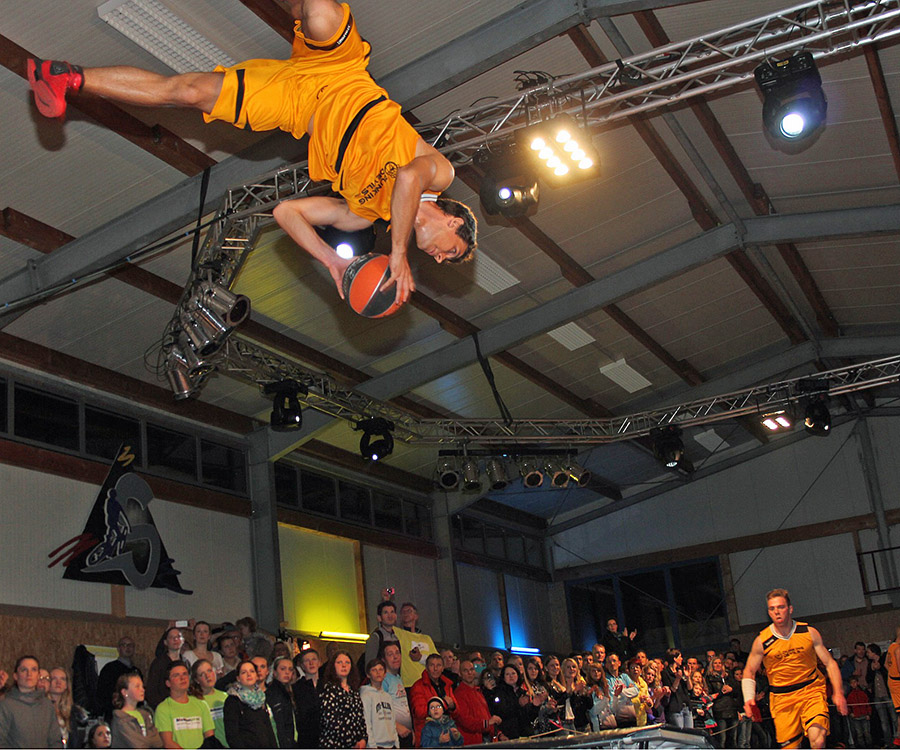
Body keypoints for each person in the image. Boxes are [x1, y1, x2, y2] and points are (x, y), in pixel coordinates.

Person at [28, 0, 477, 312]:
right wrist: (397, 253)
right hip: (341, 72)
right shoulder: (440, 174)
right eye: (451, 252)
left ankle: (66, 77)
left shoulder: (363, 215)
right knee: (319, 12)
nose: (438, 259)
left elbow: (286, 213)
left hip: (296, 106)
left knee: (188, 92)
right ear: (455, 222)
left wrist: (333, 261)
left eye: (443, 261)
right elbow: (407, 179)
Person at [742, 588, 847, 749]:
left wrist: (838, 693)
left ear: (790, 609)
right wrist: (749, 698)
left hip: (811, 691)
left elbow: (830, 663)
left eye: (781, 607)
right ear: (768, 612)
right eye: (772, 608)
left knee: (818, 740)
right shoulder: (762, 641)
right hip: (782, 699)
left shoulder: (809, 633)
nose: (777, 612)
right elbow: (749, 670)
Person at [0, 655, 62, 748]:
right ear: (15, 676)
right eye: (24, 670)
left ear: (38, 675)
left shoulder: (47, 705)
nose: (29, 674)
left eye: (33, 670)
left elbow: (55, 740)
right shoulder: (5, 705)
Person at [153, 662, 215, 750]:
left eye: (185, 674)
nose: (182, 678)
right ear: (168, 683)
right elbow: (168, 743)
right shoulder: (163, 709)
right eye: (176, 675)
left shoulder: (201, 704)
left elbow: (210, 737)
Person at [318, 650, 367, 749]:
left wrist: (363, 739)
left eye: (347, 662)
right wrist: (352, 742)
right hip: (334, 745)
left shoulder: (354, 691)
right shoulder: (329, 690)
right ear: (333, 666)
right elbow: (332, 723)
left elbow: (361, 719)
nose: (344, 665)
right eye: (339, 662)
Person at [223, 660, 277, 748]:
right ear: (238, 678)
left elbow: (268, 728)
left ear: (256, 675)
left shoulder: (261, 698)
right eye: (244, 672)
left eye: (252, 671)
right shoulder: (233, 701)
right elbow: (232, 735)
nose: (249, 675)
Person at [410, 654, 458, 746]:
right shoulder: (418, 687)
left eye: (438, 665)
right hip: (428, 739)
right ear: (426, 668)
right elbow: (419, 712)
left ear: (443, 668)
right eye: (432, 665)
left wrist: (453, 706)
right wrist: (443, 704)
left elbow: (457, 711)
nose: (435, 669)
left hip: (447, 738)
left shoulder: (447, 685)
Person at [453, 659, 501, 745]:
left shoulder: (477, 691)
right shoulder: (459, 694)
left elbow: (487, 715)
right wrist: (486, 723)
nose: (469, 673)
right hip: (471, 741)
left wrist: (498, 733)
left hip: (483, 738)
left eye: (471, 669)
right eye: (465, 670)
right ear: (460, 674)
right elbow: (465, 721)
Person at [110, 673, 163, 749]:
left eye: (142, 686)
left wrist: (147, 742)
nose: (142, 690)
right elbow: (138, 745)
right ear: (125, 692)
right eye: (137, 686)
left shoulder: (146, 715)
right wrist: (149, 742)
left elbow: (158, 742)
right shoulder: (120, 719)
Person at [96, 637, 141, 721]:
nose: (127, 648)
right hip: (114, 715)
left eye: (130, 645)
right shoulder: (109, 669)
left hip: (133, 715)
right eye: (124, 645)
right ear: (118, 649)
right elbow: (102, 694)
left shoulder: (136, 671)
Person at [360, 658, 399, 749]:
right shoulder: (366, 696)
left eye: (381, 669)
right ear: (368, 675)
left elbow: (393, 723)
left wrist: (396, 744)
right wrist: (372, 746)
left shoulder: (388, 697)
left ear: (385, 674)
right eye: (374, 670)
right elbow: (366, 724)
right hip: (377, 745)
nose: (378, 673)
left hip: (391, 744)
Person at [380, 643, 413, 748]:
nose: (395, 657)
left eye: (397, 653)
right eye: (390, 654)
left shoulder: (398, 678)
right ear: (384, 660)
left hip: (405, 733)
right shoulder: (383, 680)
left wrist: (411, 730)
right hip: (393, 734)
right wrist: (396, 726)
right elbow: (379, 708)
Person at [145, 627, 187, 709]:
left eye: (178, 637)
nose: (175, 639)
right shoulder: (158, 663)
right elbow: (151, 691)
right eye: (172, 637)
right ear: (165, 642)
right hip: (163, 706)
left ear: (183, 641)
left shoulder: (186, 662)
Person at [48, 667, 89, 748]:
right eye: (54, 678)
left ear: (66, 685)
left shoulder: (74, 712)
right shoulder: (42, 709)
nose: (58, 682)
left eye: (62, 679)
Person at [293, 649, 322, 749]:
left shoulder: (327, 686)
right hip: (306, 739)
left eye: (314, 659)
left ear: (319, 662)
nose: (311, 663)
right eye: (307, 660)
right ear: (302, 665)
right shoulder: (297, 688)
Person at [267, 656, 298, 749]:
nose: (287, 672)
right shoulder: (273, 693)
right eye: (283, 669)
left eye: (290, 669)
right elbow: (279, 724)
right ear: (275, 672)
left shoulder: (288, 691)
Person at [365, 601, 401, 669]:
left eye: (392, 612)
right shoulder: (375, 638)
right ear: (379, 618)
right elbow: (369, 665)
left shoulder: (396, 637)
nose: (390, 616)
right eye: (386, 612)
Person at [846, 675, 872, 748]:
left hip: (864, 715)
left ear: (857, 683)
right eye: (852, 683)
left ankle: (870, 746)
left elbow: (867, 703)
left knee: (867, 733)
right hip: (856, 717)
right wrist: (850, 713)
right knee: (859, 734)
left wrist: (869, 714)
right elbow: (848, 706)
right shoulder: (849, 695)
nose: (853, 684)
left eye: (855, 682)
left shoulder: (863, 692)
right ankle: (862, 747)